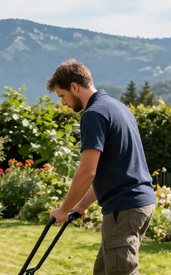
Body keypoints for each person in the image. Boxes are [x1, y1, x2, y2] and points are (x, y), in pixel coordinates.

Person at [46, 59, 157, 275]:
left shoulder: (94, 114)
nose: (64, 104)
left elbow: (88, 172)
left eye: (62, 96)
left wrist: (64, 209)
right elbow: (113, 170)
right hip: (138, 204)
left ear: (74, 87)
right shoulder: (117, 107)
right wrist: (81, 205)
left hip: (123, 208)